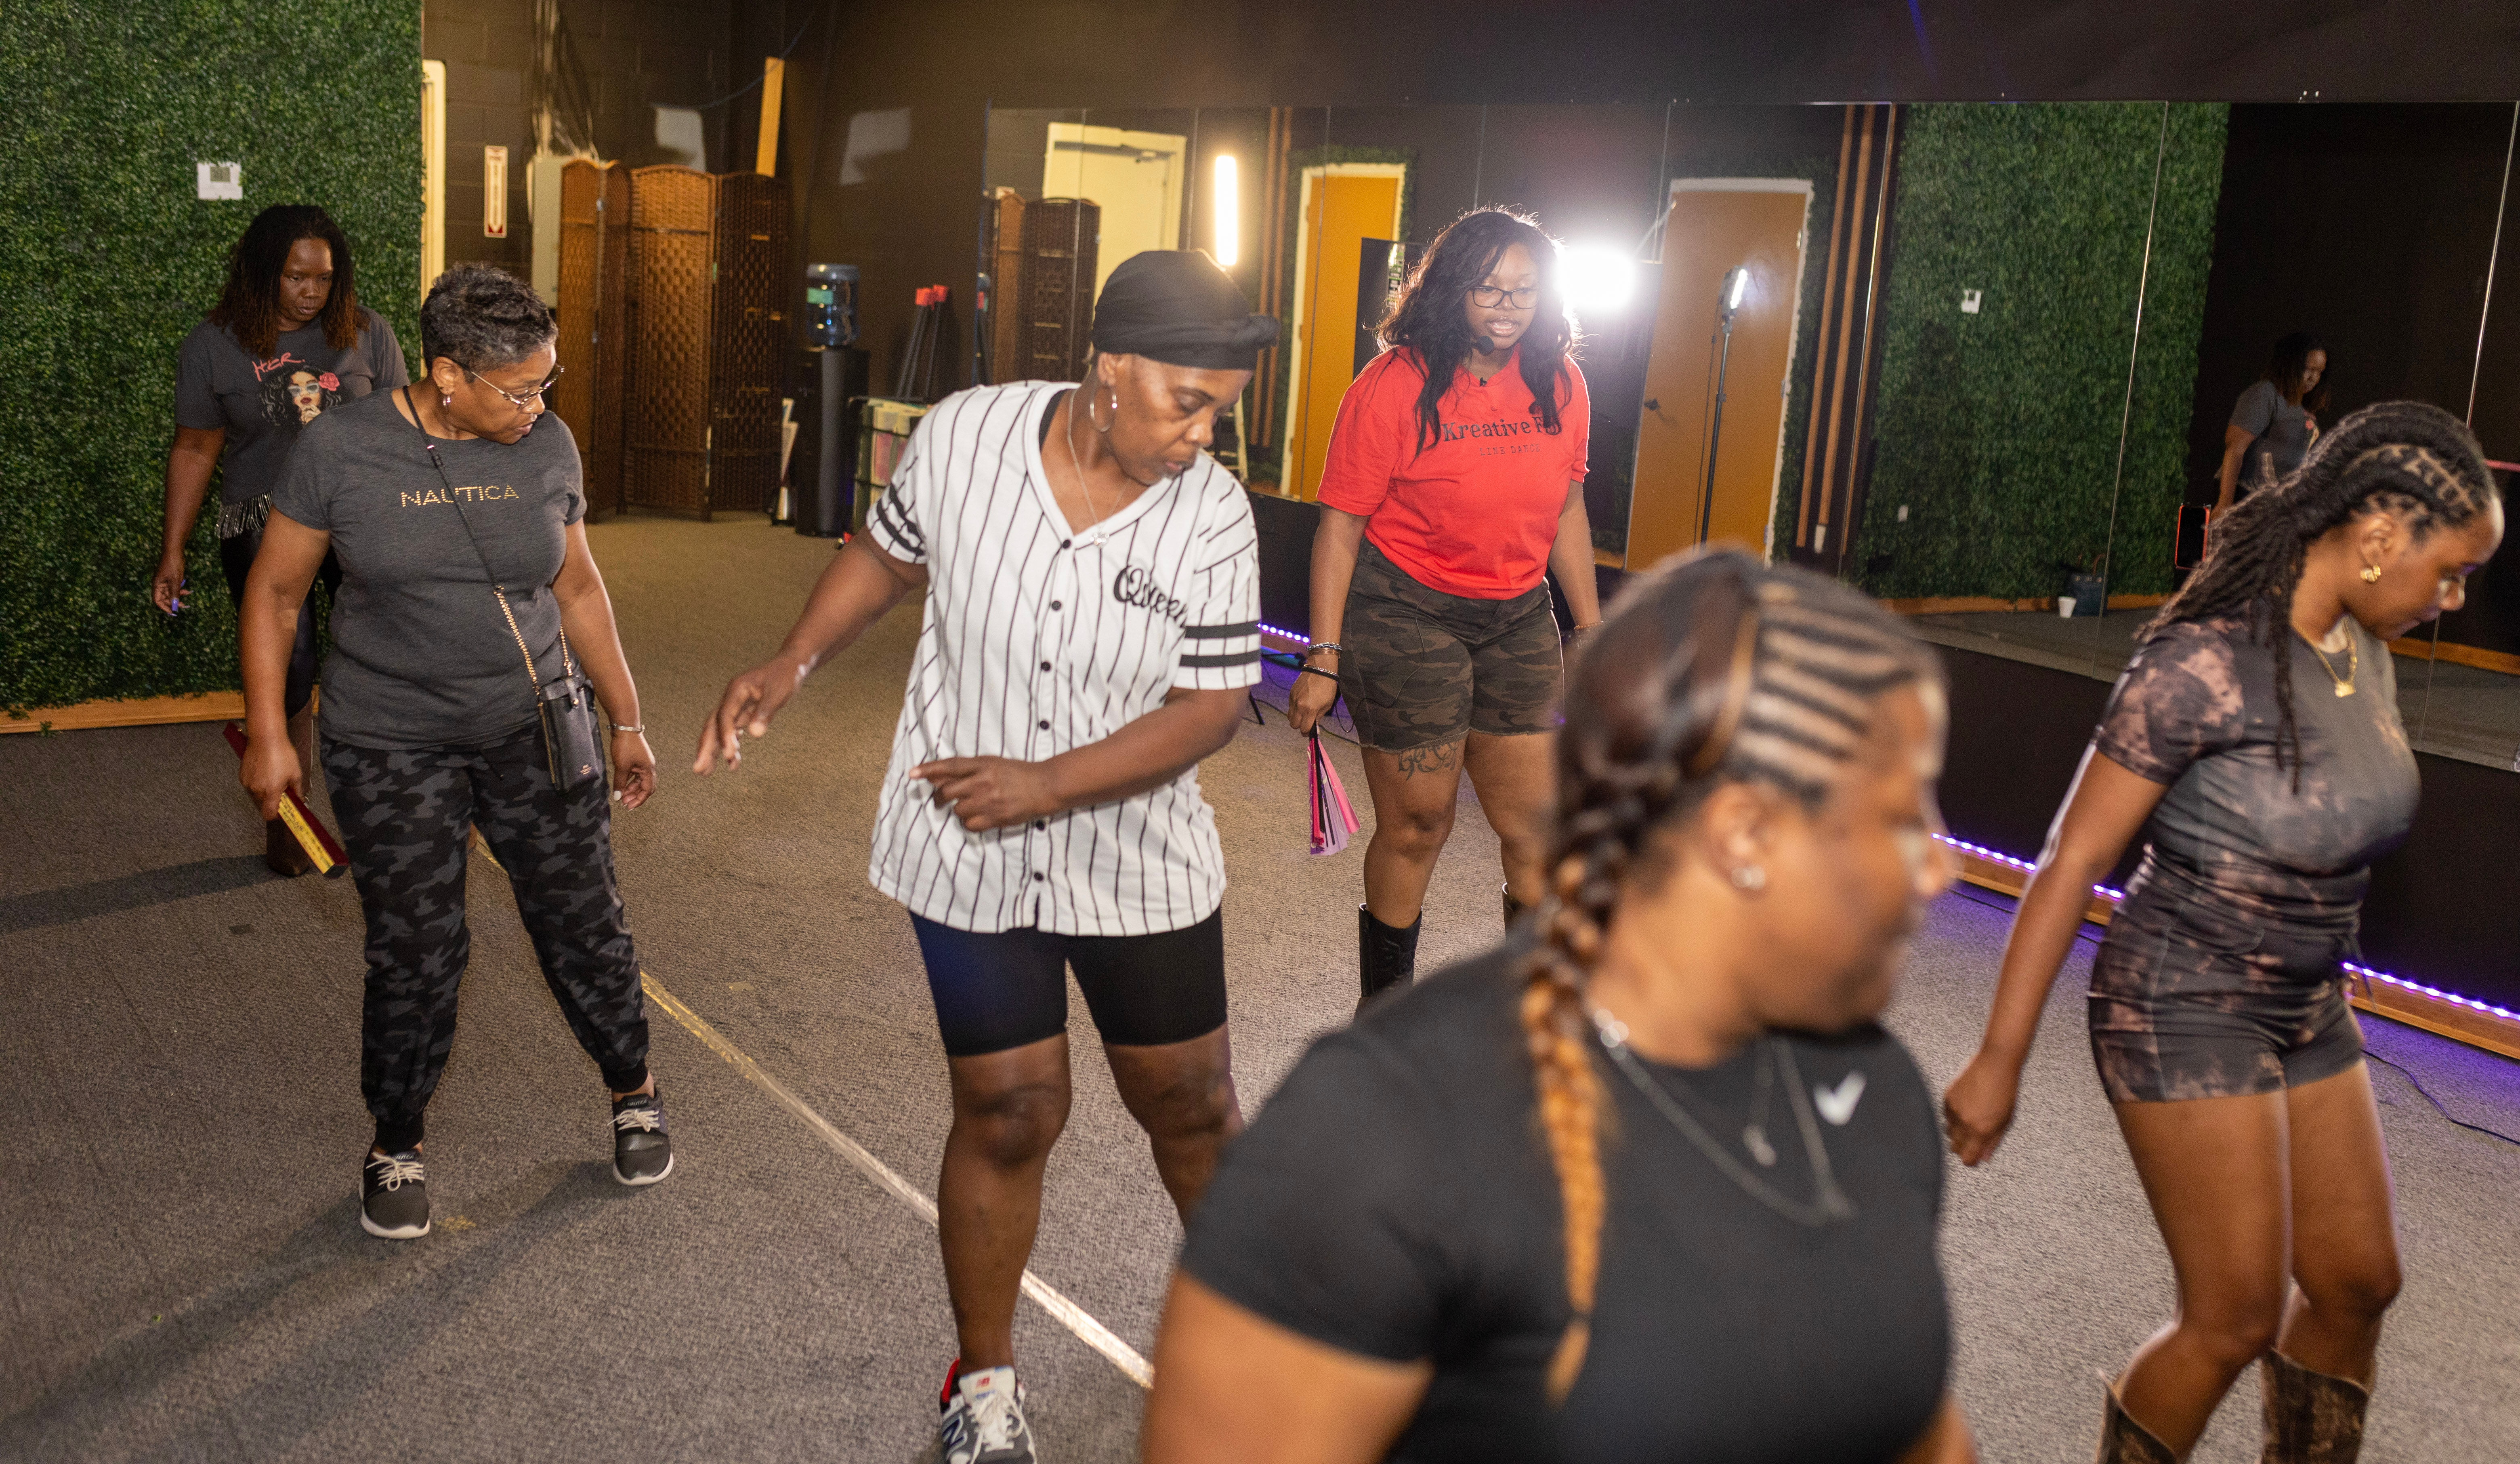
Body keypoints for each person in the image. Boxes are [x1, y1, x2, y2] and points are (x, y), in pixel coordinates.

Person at [1147, 550, 1975, 1464]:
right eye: (1904, 818)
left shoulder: (1880, 1095)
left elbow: (1916, 1423)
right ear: (1744, 834)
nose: (1941, 865)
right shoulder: (1378, 1133)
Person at [694, 251, 1275, 1464]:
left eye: (1222, 406)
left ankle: (1251, 1349)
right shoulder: (964, 436)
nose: (1203, 430)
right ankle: (986, 1383)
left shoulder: (1212, 509)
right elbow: (885, 552)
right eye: (1188, 399)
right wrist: (791, 658)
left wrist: (1051, 783)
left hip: (1137, 854)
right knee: (1010, 1108)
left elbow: (1211, 708)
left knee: (1190, 1105)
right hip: (966, 844)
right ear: (1108, 366)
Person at [1944, 402, 2504, 1462]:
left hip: (2303, 1001)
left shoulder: (2359, 648)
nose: (2454, 599)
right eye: (2448, 571)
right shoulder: (2200, 666)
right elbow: (2073, 859)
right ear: (2379, 540)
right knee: (2234, 1315)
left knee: (2355, 1281)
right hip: (2180, 1000)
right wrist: (1998, 1060)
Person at [238, 264, 669, 1243]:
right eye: (517, 389)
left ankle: (633, 1089)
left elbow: (579, 589)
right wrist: (271, 731)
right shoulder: (340, 453)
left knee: (584, 923)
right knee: (417, 952)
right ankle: (397, 1141)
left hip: (529, 725)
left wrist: (628, 716)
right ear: (445, 375)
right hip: (389, 741)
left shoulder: (546, 444)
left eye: (547, 382)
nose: (538, 405)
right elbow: (274, 595)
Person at [1286, 206, 1604, 1008]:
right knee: (1419, 824)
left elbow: (1566, 511)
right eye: (1488, 286)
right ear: (1452, 289)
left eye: (1524, 289)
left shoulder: (1563, 383)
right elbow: (1341, 527)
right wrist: (1323, 657)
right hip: (1406, 611)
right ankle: (1385, 1016)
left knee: (1536, 828)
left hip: (1517, 615)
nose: (1507, 303)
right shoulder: (1393, 385)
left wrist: (1594, 629)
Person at [160, 204, 408, 874]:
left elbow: (406, 434)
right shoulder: (213, 345)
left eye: (323, 278)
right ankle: (288, 814)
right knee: (290, 670)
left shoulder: (365, 334)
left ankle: (404, 808)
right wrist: (173, 547)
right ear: (264, 271)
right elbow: (194, 447)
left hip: (356, 515)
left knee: (387, 657)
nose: (310, 291)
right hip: (263, 517)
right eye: (296, 276)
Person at [2214, 332, 2328, 514]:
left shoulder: (2301, 406)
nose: (2313, 378)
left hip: (2278, 509)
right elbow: (2235, 448)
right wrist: (2225, 503)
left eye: (2319, 372)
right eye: (2308, 369)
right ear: (2290, 365)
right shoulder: (2265, 394)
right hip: (2247, 503)